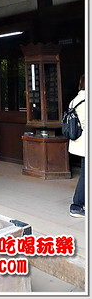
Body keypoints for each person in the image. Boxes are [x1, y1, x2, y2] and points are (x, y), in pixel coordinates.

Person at [68, 74, 85, 218]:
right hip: (86, 142)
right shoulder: (87, 101)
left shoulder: (75, 100)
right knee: (86, 175)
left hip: (79, 142)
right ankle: (77, 205)